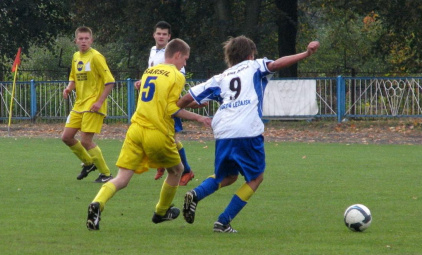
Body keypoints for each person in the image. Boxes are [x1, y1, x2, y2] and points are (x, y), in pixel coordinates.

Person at [179, 36, 320, 233]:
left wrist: (167, 109)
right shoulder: (254, 66)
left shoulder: (221, 77)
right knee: (255, 177)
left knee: (227, 176)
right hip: (246, 129)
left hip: (223, 131)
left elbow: (188, 99)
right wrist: (306, 54)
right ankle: (223, 222)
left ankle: (196, 194)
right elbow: (277, 64)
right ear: (250, 54)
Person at [87, 39, 212, 231]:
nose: (185, 64)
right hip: (157, 132)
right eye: (185, 59)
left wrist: (193, 104)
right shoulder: (177, 76)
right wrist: (198, 117)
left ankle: (97, 203)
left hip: (135, 129)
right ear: (177, 55)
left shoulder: (149, 71)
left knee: (122, 178)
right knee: (177, 170)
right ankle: (161, 211)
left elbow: (161, 101)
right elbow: (172, 108)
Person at [134, 21, 196, 186]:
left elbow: (176, 76)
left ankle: (186, 170)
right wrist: (142, 81)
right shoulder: (153, 51)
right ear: (154, 35)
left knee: (170, 138)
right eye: (158, 33)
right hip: (156, 103)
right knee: (165, 138)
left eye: (164, 34)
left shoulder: (173, 54)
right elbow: (154, 73)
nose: (161, 36)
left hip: (167, 102)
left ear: (169, 37)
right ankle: (165, 165)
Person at [62, 26, 116, 183]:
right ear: (76, 41)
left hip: (93, 105)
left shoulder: (96, 57)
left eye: (86, 39)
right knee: (66, 137)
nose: (84, 41)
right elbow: (73, 76)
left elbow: (110, 81)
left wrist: (99, 102)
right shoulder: (75, 56)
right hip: (79, 105)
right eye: (81, 39)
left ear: (91, 40)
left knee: (86, 141)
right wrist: (69, 88)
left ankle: (106, 174)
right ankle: (88, 163)